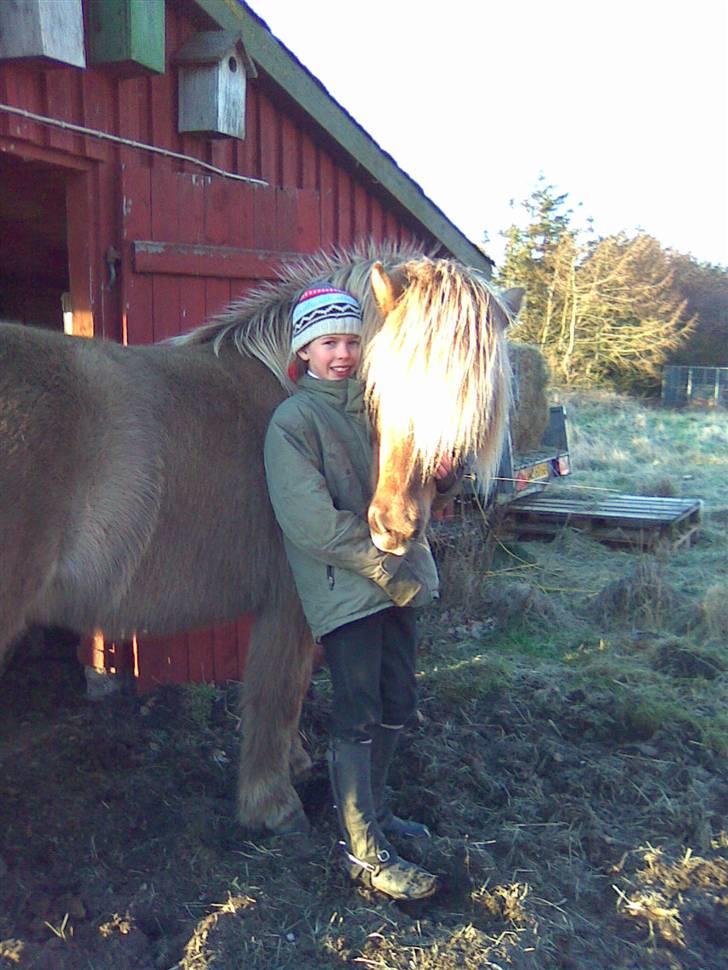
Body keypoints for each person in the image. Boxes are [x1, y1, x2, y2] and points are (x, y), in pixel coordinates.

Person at [263, 286, 458, 901]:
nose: (342, 354)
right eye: (328, 343)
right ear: (305, 351)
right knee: (358, 711)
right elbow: (312, 525)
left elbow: (413, 486)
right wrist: (389, 566)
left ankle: (373, 812)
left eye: (351, 341)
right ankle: (363, 852)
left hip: (397, 581)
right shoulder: (293, 422)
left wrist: (445, 476)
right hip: (343, 592)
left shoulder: (382, 407)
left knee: (399, 701)